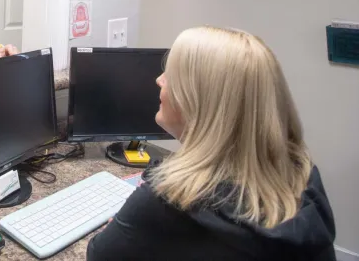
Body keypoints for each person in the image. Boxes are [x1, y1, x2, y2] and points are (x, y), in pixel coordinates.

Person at [87, 26, 336, 261]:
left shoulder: (169, 200)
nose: (159, 80)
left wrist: (129, 223)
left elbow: (99, 254)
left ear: (199, 101)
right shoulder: (301, 174)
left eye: (172, 75)